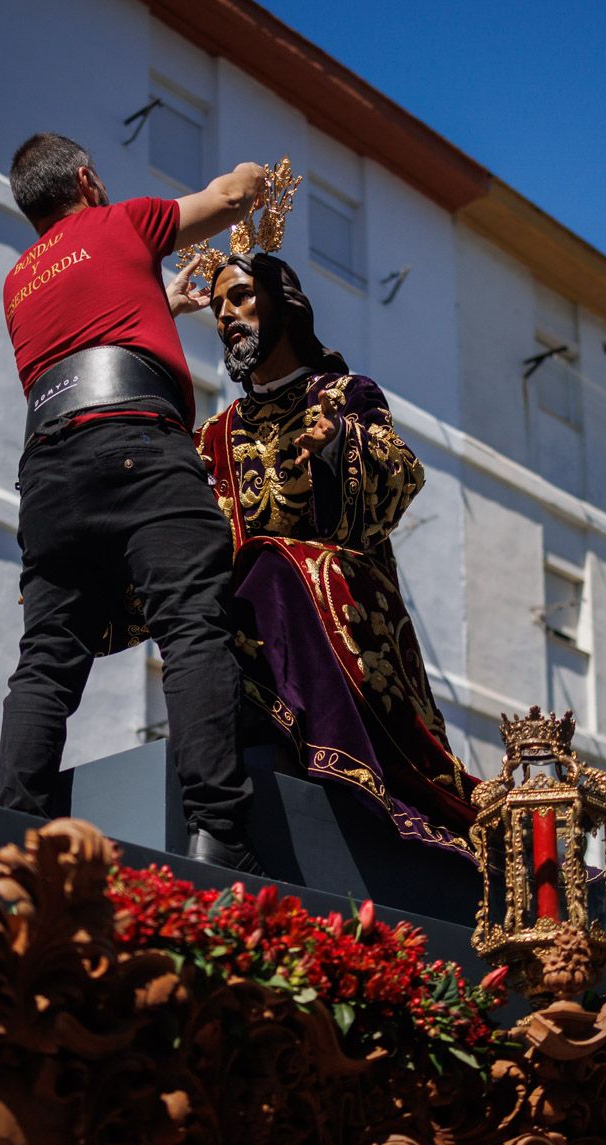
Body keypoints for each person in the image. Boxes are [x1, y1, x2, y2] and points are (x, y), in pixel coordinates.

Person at [0, 132, 267, 873]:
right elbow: (228, 197)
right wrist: (254, 172)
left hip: (47, 473)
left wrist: (161, 302)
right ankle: (218, 833)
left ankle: (10, 841)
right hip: (137, 445)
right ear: (86, 179)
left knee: (46, 660)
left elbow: (91, 330)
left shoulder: (18, 280)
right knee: (192, 626)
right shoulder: (121, 222)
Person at [197, 251, 480, 862]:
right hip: (243, 625)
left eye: (241, 297)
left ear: (283, 304)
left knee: (273, 563)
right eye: (218, 305)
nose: (226, 316)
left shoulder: (345, 394)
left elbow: (398, 479)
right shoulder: (216, 434)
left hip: (342, 602)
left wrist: (337, 447)